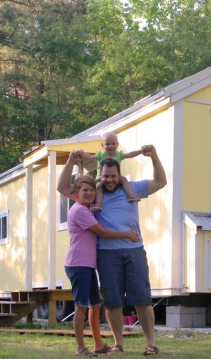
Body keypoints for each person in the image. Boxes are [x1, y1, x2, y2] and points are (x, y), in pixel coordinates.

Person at [57, 153, 140, 357]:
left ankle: (98, 344)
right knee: (81, 306)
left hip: (87, 265)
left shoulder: (88, 208)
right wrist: (127, 234)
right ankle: (79, 347)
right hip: (78, 264)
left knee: (95, 305)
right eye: (84, 190)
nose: (89, 193)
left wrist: (121, 181)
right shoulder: (80, 211)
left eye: (92, 190)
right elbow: (101, 232)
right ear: (76, 193)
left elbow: (111, 182)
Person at [93, 144, 167, 355]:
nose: (109, 179)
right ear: (101, 175)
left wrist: (154, 156)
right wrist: (72, 161)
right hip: (106, 254)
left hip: (134, 250)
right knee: (113, 301)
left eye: (113, 176)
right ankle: (118, 344)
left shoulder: (132, 188)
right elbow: (65, 189)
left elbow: (161, 182)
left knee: (142, 299)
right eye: (106, 176)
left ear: (119, 175)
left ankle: (151, 343)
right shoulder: (94, 193)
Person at [77, 132, 143, 211]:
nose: (110, 146)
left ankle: (130, 195)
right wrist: (82, 153)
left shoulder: (119, 154)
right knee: (98, 186)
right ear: (102, 145)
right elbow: (90, 156)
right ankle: (98, 204)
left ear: (117, 145)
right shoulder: (101, 155)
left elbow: (130, 154)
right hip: (101, 178)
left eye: (113, 144)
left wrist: (141, 151)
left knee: (124, 179)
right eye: (107, 144)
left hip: (116, 177)